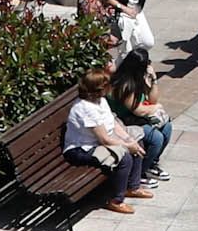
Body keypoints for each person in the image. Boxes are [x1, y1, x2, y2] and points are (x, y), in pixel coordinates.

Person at [61, 63, 165, 199]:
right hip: (82, 149)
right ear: (99, 89)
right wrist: (127, 146)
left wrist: (128, 139)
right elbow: (104, 139)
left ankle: (133, 187)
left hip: (99, 141)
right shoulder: (85, 108)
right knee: (124, 157)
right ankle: (117, 199)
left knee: (137, 141)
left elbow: (113, 123)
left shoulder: (100, 100)